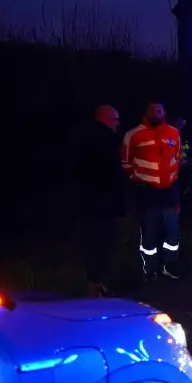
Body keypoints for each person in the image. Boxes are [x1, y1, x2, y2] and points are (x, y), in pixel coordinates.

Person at [121, 102, 183, 281]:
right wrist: (138, 179)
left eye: (159, 110)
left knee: (172, 230)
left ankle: (170, 265)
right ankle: (150, 269)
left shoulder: (173, 132)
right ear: (146, 112)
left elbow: (177, 157)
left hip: (169, 191)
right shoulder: (133, 135)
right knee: (149, 231)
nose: (156, 113)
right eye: (152, 110)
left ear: (164, 112)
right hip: (147, 192)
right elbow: (126, 162)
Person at [76, 104, 126, 296]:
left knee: (93, 245)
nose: (118, 124)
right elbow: (113, 175)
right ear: (106, 119)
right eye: (116, 120)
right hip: (104, 205)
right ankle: (97, 285)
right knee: (102, 245)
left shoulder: (82, 139)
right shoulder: (108, 142)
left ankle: (94, 283)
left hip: (87, 203)